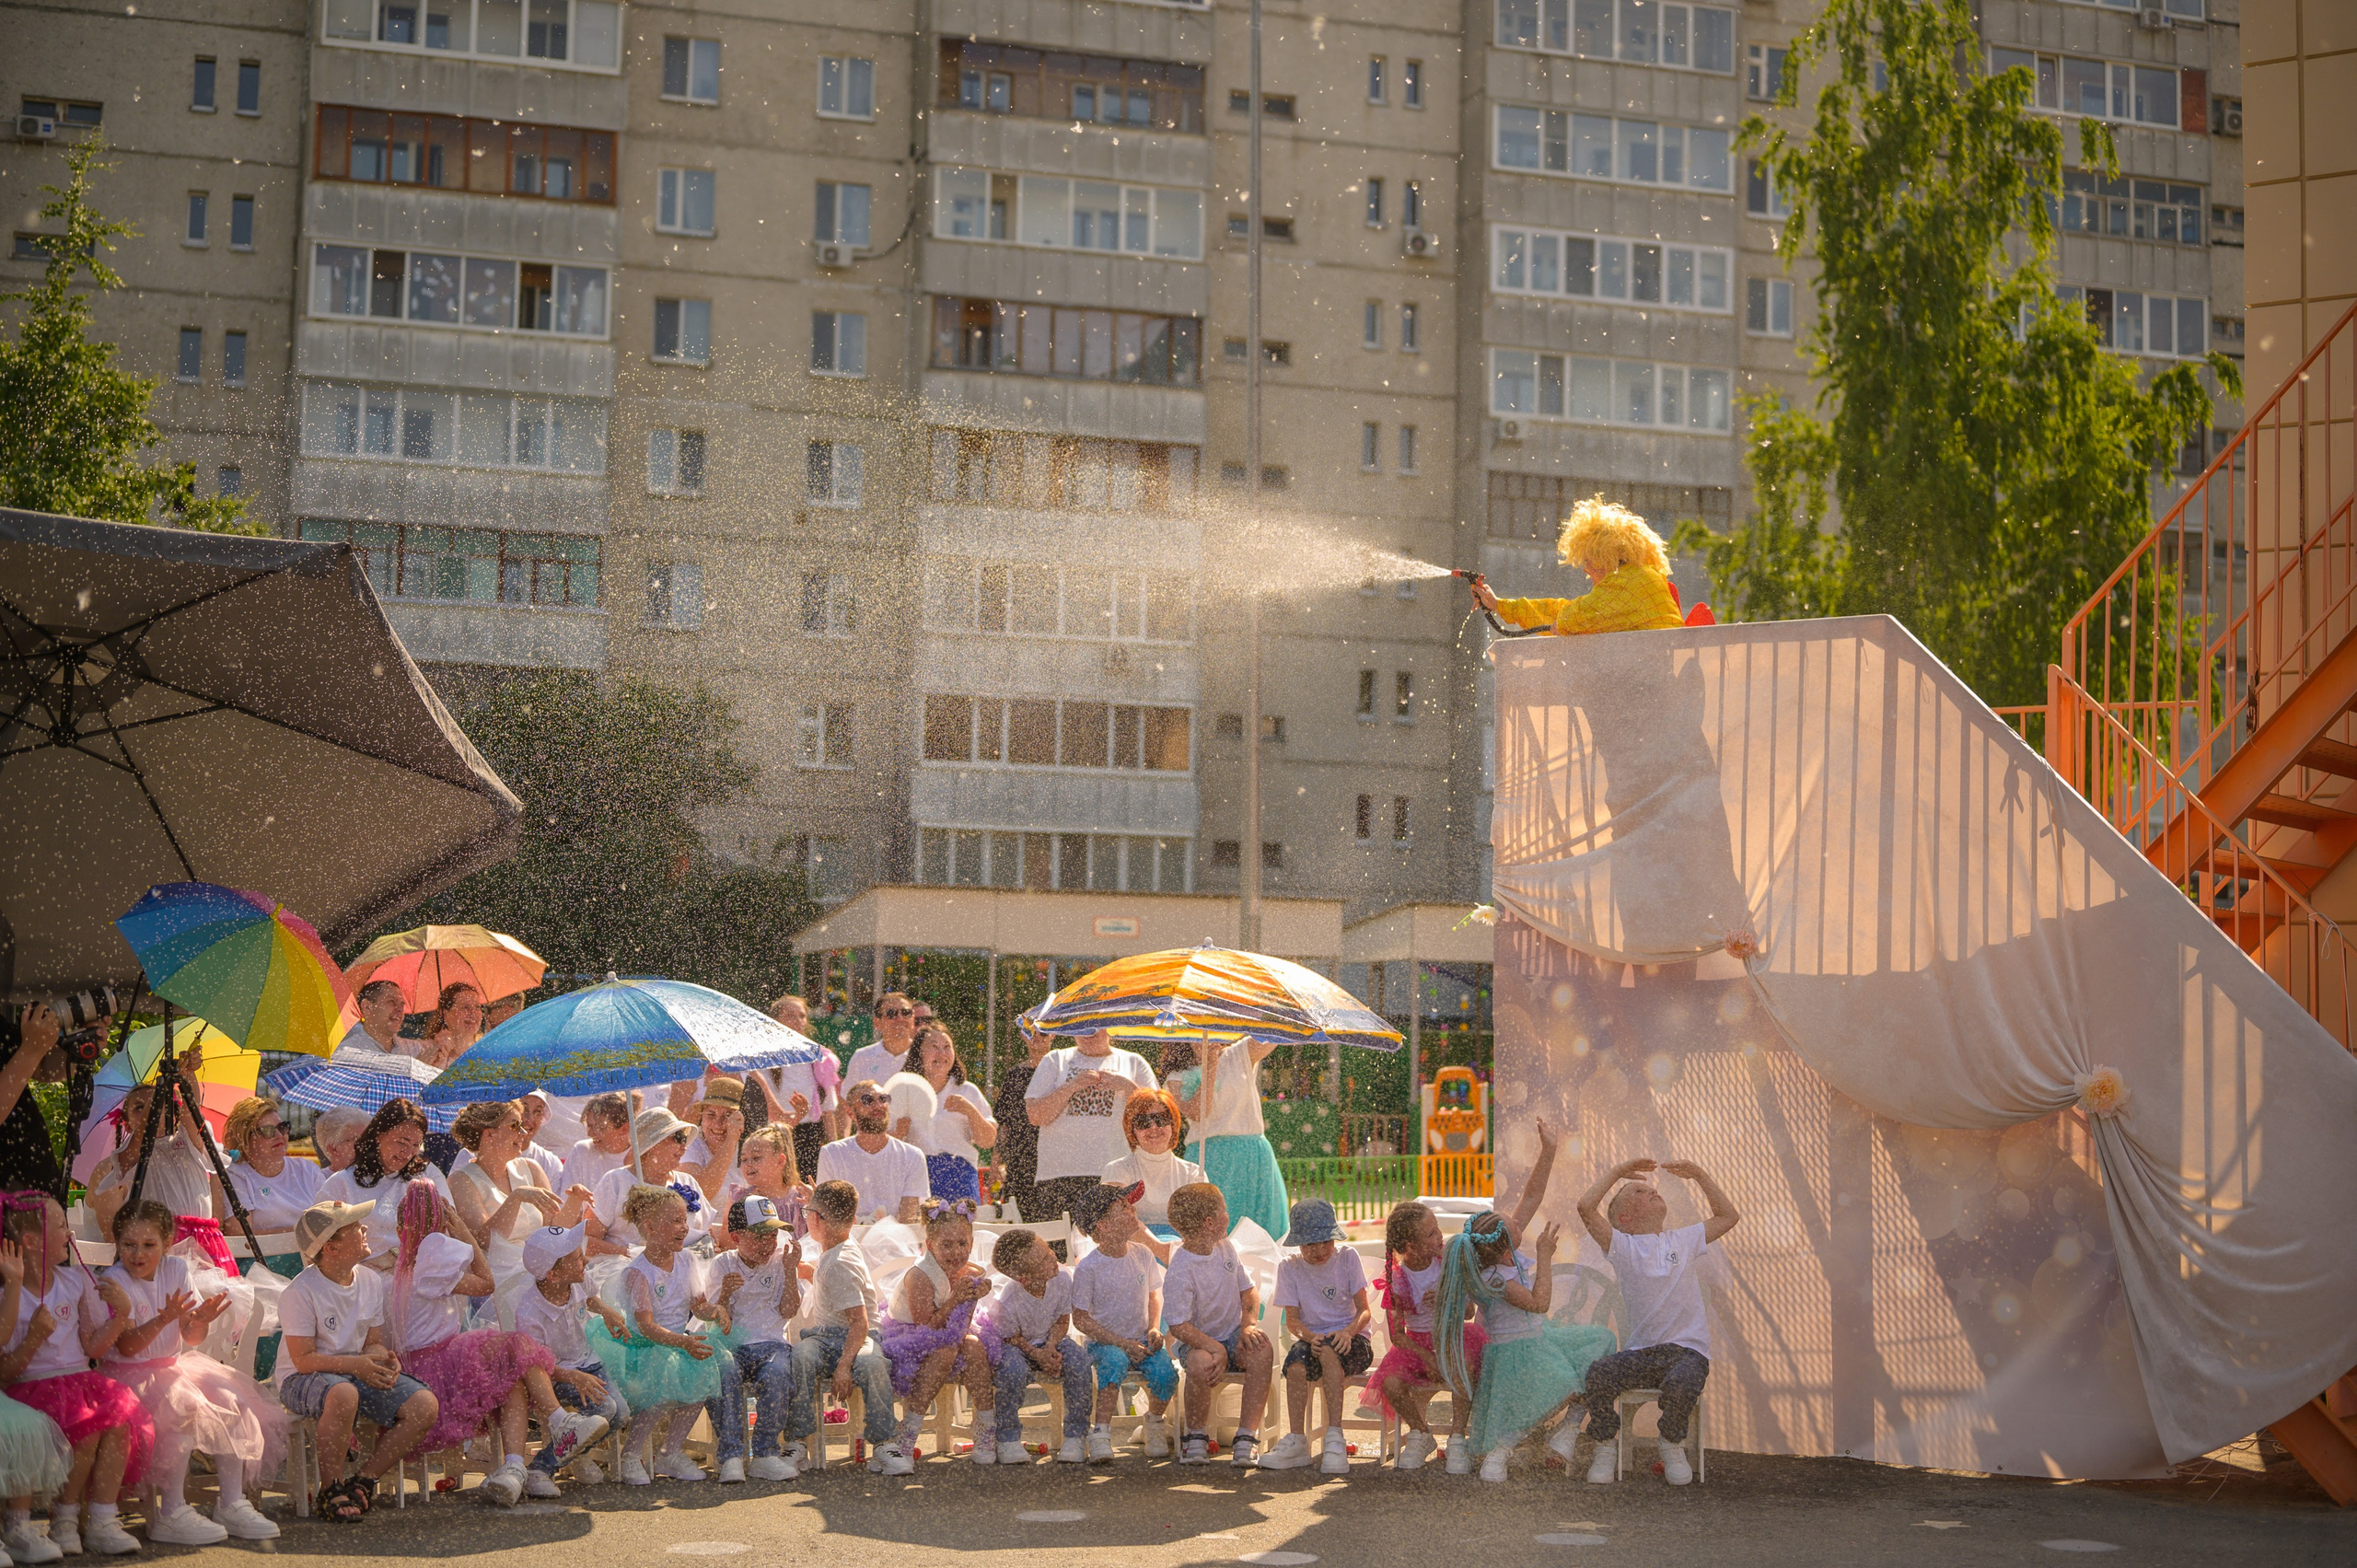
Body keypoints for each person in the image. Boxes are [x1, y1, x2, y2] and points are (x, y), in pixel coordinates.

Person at [384, 1182, 602, 1505]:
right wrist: (465, 1235)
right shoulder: (431, 1262)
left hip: (424, 1365)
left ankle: (514, 1468)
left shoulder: (400, 1268)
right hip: (435, 1371)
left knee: (511, 1372)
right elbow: (488, 1284)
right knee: (516, 1345)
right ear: (440, 1225)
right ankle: (559, 1421)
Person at [99, 1200, 289, 1543]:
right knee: (184, 1410)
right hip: (130, 1375)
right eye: (128, 1245)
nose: (137, 1254)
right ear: (117, 1244)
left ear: (167, 1243)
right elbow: (126, 1346)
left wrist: (199, 1321)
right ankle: (171, 1512)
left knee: (232, 1400)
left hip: (173, 1367)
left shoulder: (176, 1270)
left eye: (148, 1245)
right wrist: (162, 1318)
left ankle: (231, 1502)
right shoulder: (114, 1281)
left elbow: (190, 1336)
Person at [1435, 1121, 1616, 1483]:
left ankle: (1567, 1429)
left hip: (1539, 1340)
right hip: (1517, 1353)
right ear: (1506, 1245)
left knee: (1600, 1345)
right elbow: (1539, 1303)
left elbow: (1531, 1197)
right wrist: (1545, 1256)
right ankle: (1499, 1454)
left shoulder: (1501, 1254)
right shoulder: (1497, 1278)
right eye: (1514, 1225)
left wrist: (1548, 1151)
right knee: (1543, 1401)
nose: (1521, 1223)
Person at [1572, 1156, 1739, 1487]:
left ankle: (1671, 1443)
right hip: (1643, 1354)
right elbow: (1585, 1208)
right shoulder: (1622, 1246)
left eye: (1650, 1189)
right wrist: (1616, 1172)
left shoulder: (1683, 1240)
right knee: (1601, 1372)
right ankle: (1605, 1446)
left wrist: (1702, 1174)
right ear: (1625, 1217)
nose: (1651, 1191)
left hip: (1686, 1352)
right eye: (1638, 1190)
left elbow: (1728, 1216)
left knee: (1685, 1380)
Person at [0, 1193, 152, 1555]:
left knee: (120, 1418)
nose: (70, 1234)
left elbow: (92, 1348)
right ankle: (64, 1518)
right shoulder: (9, 1293)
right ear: (31, 1242)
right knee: (88, 1422)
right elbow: (7, 1371)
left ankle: (101, 1517)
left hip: (80, 1379)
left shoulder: (74, 1280)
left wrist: (120, 1316)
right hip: (31, 1387)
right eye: (61, 1226)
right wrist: (35, 1337)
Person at [275, 1200, 437, 1522]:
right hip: (300, 1378)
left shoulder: (370, 1281)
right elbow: (304, 1361)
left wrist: (382, 1359)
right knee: (344, 1393)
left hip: (351, 1372)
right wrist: (359, 1366)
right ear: (332, 1248)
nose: (365, 1228)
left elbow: (372, 1344)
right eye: (354, 1227)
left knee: (424, 1405)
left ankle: (363, 1480)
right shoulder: (300, 1292)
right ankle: (330, 1488)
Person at [587, 1185, 735, 1486]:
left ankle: (670, 1451)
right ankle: (630, 1455)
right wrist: (683, 1342)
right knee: (660, 1380)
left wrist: (716, 1310)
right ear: (651, 1228)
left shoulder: (688, 1261)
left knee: (706, 1370)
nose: (684, 1228)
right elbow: (645, 1326)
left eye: (684, 1220)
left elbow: (698, 1305)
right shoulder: (639, 1272)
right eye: (675, 1222)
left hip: (678, 1343)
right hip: (642, 1348)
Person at [782, 1180, 899, 1475]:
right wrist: (816, 1202)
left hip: (858, 1336)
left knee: (871, 1364)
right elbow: (827, 1276)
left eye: (809, 1213)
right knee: (802, 1357)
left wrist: (845, 1366)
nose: (807, 1217)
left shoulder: (839, 1262)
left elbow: (859, 1322)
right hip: (824, 1338)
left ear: (817, 1220)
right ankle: (797, 1441)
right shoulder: (837, 1242)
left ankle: (885, 1443)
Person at [874, 1200, 995, 1467]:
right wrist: (956, 1299)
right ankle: (909, 1431)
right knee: (945, 1351)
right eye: (947, 1245)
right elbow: (927, 1327)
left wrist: (974, 1295)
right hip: (910, 1336)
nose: (956, 1252)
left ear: (971, 1243)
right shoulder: (920, 1275)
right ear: (929, 1245)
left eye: (962, 1244)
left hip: (948, 1334)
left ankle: (985, 1426)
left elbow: (960, 1325)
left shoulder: (969, 1270)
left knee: (975, 1346)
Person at [514, 1221, 632, 1493]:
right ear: (553, 1275)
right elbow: (536, 1367)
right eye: (577, 1258)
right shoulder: (530, 1313)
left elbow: (590, 1297)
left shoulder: (577, 1279)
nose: (585, 1259)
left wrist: (606, 1311)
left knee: (621, 1414)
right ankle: (542, 1467)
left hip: (588, 1362)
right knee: (606, 1410)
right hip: (556, 1376)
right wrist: (572, 1376)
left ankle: (571, 1452)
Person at [1258, 1198, 1373, 1475]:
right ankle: (1297, 1438)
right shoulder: (1290, 1267)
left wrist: (1347, 1332)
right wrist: (1310, 1337)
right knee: (1295, 1364)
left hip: (1353, 1338)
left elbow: (1364, 1311)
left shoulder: (1347, 1257)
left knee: (1332, 1350)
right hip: (1313, 1338)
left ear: (1333, 1237)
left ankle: (1335, 1435)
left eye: (1325, 1241)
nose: (1319, 1249)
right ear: (1298, 1243)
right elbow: (1293, 1322)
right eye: (1310, 1244)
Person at [1160, 1181, 1271, 1469]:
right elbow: (1178, 1325)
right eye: (1224, 1211)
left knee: (1262, 1348)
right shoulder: (1181, 1267)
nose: (1228, 1215)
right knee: (1199, 1362)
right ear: (1210, 1223)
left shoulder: (1225, 1247)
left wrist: (1248, 1325)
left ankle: (1246, 1436)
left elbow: (1249, 1292)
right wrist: (1213, 1347)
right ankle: (1196, 1436)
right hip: (1197, 1341)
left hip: (1233, 1335)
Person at [1469, 496, 1687, 635]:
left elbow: (1571, 616)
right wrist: (1500, 605)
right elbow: (1569, 612)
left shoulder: (1625, 583)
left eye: (1587, 559)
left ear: (1604, 555)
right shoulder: (1642, 577)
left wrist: (1563, 624)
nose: (1585, 569)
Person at [1068, 1181, 1176, 1461]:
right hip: (1105, 1344)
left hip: (1141, 1340)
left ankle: (1153, 1422)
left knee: (1165, 1373)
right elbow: (1080, 1319)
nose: (1132, 1210)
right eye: (1123, 1207)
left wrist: (1154, 1327)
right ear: (1103, 1225)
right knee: (1114, 1362)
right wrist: (1120, 1342)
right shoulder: (1089, 1267)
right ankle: (1101, 1431)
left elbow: (1154, 1295)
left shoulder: (1142, 1254)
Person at [1372, 1199, 1480, 1473]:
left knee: (1463, 1368)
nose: (1440, 1235)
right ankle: (1421, 1433)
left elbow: (1469, 1312)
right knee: (1392, 1383)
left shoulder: (1447, 1263)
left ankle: (1457, 1438)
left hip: (1451, 1338)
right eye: (1431, 1233)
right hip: (1415, 1347)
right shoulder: (1396, 1280)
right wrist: (1426, 1358)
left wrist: (1448, 1298)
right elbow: (1398, 1335)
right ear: (1411, 1247)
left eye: (1438, 1228)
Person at [706, 1196, 803, 1482]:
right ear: (736, 1237)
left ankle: (765, 1454)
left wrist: (789, 1269)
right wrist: (724, 1295)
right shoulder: (722, 1264)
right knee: (724, 1372)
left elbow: (789, 1310)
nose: (768, 1243)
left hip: (772, 1343)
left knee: (778, 1373)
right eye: (759, 1236)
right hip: (732, 1344)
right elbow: (714, 1317)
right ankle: (732, 1455)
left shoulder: (780, 1262)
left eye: (772, 1235)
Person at [981, 1228, 1092, 1467]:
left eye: (1048, 1249)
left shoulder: (1061, 1279)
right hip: (1018, 1345)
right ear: (1025, 1279)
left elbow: (1063, 1320)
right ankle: (1007, 1438)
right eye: (1044, 1259)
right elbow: (1011, 1337)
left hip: (1050, 1339)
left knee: (1080, 1362)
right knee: (1012, 1372)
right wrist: (1037, 1354)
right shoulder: (1009, 1301)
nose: (1053, 1257)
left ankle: (1076, 1435)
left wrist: (1051, 1346)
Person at [1025, 1029, 1156, 1229]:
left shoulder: (1133, 1062)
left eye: (1095, 1025)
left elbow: (1158, 1113)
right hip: (1058, 1176)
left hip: (1115, 1177)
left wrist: (1127, 1087)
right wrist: (1072, 1086)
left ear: (1109, 1026)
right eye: (1082, 1026)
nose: (1088, 1032)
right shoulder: (1056, 1059)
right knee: (1061, 1254)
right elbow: (1036, 1116)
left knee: (1115, 1249)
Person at [1161, 1038, 1289, 1241]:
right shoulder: (1176, 1077)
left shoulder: (1239, 1053)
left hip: (1252, 1155)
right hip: (1208, 1157)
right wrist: (1210, 1063)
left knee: (1264, 1236)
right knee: (1210, 1234)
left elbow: (1274, 1033)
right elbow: (1198, 1112)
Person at [447, 1102, 584, 1292]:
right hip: (498, 1279)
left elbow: (553, 1230)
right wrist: (516, 1198)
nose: (524, 1133)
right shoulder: (460, 1180)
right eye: (514, 1126)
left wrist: (575, 1201)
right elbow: (485, 1241)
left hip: (540, 1269)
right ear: (489, 1134)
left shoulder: (532, 1168)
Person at [317, 1099, 459, 1258]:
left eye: (415, 1145)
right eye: (401, 1142)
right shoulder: (342, 1183)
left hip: (421, 1269)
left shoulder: (427, 1173)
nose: (407, 1153)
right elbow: (320, 1249)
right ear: (379, 1135)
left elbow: (447, 1225)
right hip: (364, 1274)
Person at [87, 1083, 214, 1237]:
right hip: (149, 1250)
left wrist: (187, 1074)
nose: (154, 1110)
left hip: (201, 1242)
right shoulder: (110, 1167)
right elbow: (113, 1236)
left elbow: (193, 1110)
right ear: (126, 1125)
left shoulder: (189, 1148)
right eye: (140, 1107)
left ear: (173, 1115)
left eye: (160, 1104)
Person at [586, 1109, 703, 1260]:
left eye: (684, 1138)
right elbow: (587, 1241)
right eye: (678, 1137)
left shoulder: (688, 1182)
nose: (684, 1146)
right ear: (652, 1146)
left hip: (682, 1273)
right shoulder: (616, 1181)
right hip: (623, 1272)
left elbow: (705, 1233)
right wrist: (633, 1255)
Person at [1100, 1087, 1202, 1259]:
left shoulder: (1193, 1173)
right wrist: (1161, 1251)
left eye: (1161, 1119)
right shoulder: (1117, 1170)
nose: (1153, 1127)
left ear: (1174, 1123)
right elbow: (1118, 1220)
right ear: (1131, 1129)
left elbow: (1201, 1226)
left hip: (1181, 1253)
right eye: (1142, 1122)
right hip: (1131, 1254)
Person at [899, 1026, 995, 1201]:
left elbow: (988, 1141)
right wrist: (899, 1131)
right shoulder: (904, 1092)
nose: (941, 1053)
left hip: (960, 1175)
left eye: (947, 1047)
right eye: (934, 1047)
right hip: (916, 1176)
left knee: (962, 1227)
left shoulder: (967, 1091)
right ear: (918, 1053)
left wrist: (971, 1111)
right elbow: (888, 1140)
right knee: (917, 1227)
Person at [813, 1082, 928, 1225]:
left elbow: (907, 1221)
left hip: (894, 1242)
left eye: (883, 1099)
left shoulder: (913, 1156)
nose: (877, 1105)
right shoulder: (832, 1153)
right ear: (851, 1113)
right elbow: (830, 1215)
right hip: (848, 1241)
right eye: (868, 1100)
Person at [749, 993, 838, 1174]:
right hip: (775, 1135)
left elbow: (827, 1111)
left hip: (810, 1136)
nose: (798, 1021)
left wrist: (835, 1149)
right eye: (790, 1016)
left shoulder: (818, 1057)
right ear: (774, 1021)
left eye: (802, 1016)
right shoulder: (763, 1058)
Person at [0, 1006, 67, 1202]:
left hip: (34, 1189)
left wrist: (80, 1045)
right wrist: (30, 1050)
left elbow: (44, 1071)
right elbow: (29, 1056)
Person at [987, 1027, 1051, 1219]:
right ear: (1023, 1035)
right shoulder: (1014, 1075)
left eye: (1044, 1032)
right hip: (1019, 1165)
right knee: (1019, 1226)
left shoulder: (1061, 1072)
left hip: (1052, 1163)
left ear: (1054, 1034)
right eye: (1032, 1032)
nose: (1037, 1037)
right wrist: (995, 1164)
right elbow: (1004, 1125)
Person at [679, 1077, 749, 1209]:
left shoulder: (749, 1144)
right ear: (702, 1116)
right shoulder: (690, 1144)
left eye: (728, 1115)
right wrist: (730, 1141)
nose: (718, 1124)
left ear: (740, 1118)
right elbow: (700, 1193)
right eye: (711, 1114)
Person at [845, 993, 920, 1098]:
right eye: (891, 1013)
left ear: (913, 1019)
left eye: (906, 1012)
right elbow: (847, 1101)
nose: (900, 1018)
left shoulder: (925, 1054)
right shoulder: (861, 1057)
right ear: (877, 1023)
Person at [558, 1093, 633, 1195]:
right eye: (589, 1126)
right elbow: (566, 1204)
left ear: (624, 1129)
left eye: (599, 1128)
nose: (590, 1134)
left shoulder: (642, 1156)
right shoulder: (581, 1151)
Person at [404, 982, 485, 1071]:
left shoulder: (486, 1054)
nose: (473, 1013)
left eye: (477, 1007)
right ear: (445, 1014)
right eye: (465, 1007)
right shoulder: (422, 1049)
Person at [514, 1093, 568, 1187]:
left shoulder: (550, 1163)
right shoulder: (486, 1154)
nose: (529, 1119)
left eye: (537, 1111)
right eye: (523, 1109)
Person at [309, 1107, 369, 1176]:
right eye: (359, 1140)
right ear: (334, 1149)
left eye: (370, 1138)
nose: (368, 1145)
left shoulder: (379, 1181)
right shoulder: (319, 1183)